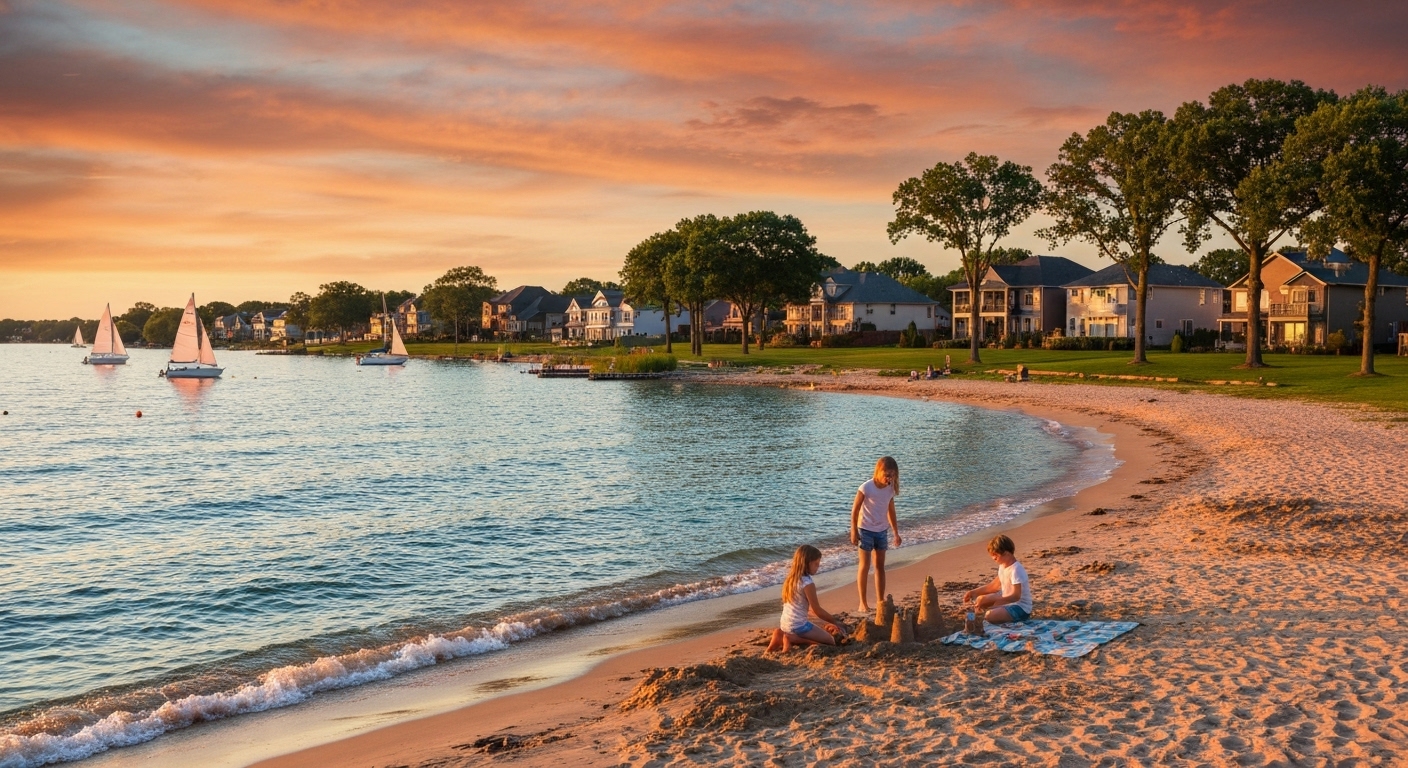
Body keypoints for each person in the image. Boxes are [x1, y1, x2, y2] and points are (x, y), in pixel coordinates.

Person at [767, 545, 847, 652]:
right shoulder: (807, 583)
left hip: (785, 624)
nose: (818, 567)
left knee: (815, 628)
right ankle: (791, 638)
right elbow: (816, 609)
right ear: (807, 563)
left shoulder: (791, 579)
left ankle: (780, 634)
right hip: (799, 626)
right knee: (830, 641)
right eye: (816, 564)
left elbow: (804, 609)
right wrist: (835, 621)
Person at [850, 456, 902, 613]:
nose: (889, 478)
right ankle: (863, 603)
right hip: (865, 530)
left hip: (881, 530)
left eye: (892, 475)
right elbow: (855, 510)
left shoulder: (890, 488)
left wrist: (895, 532)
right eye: (886, 474)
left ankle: (880, 601)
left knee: (880, 566)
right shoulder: (866, 488)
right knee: (864, 566)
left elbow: (890, 510)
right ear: (878, 472)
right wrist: (853, 530)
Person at [963, 534, 1032, 624]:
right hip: (1007, 600)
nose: (993, 558)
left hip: (1020, 607)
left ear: (1006, 553)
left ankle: (991, 617)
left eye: (995, 555)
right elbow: (993, 586)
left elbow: (1016, 596)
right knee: (980, 600)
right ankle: (974, 621)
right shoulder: (1003, 566)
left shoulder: (1016, 570)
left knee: (989, 615)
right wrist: (973, 592)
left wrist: (997, 603)